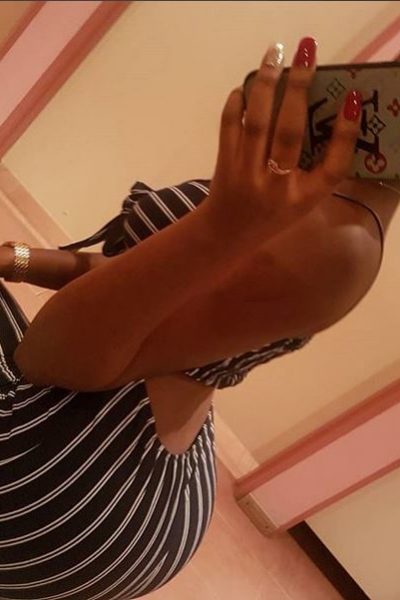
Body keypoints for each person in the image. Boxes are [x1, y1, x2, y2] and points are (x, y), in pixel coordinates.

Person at [0, 37, 398, 600]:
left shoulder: (339, 243)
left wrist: (221, 226)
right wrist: (15, 258)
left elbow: (50, 359)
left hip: (67, 491)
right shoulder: (331, 160)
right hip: (126, 435)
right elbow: (132, 280)